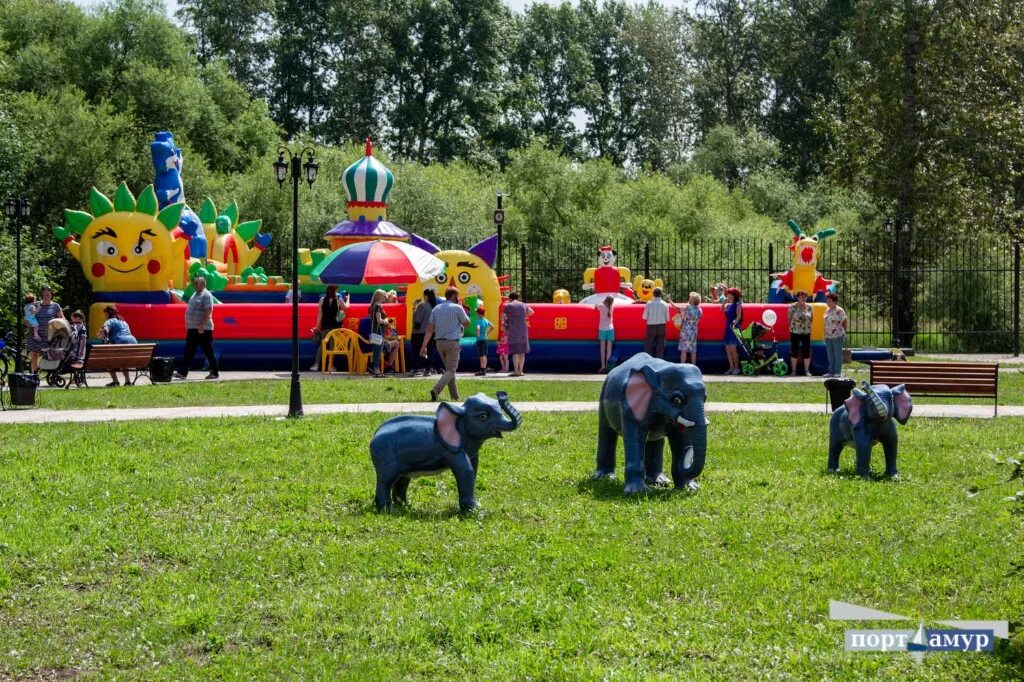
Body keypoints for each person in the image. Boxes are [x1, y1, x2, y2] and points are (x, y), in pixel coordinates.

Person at [420, 287, 470, 401]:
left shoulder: (436, 308)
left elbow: (429, 329)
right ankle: (436, 390)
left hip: (439, 343)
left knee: (449, 370)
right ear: (454, 296)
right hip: (452, 342)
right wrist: (461, 306)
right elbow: (467, 323)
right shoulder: (457, 308)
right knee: (451, 370)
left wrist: (424, 346)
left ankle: (455, 396)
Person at [174, 275, 219, 380]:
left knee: (208, 350)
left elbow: (208, 311)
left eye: (197, 283)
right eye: (194, 283)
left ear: (203, 284)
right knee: (189, 350)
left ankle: (215, 372)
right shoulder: (195, 294)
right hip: (193, 328)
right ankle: (183, 372)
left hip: (203, 328)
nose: (195, 285)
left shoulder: (206, 295)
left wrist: (202, 324)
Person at [98, 304, 138, 386]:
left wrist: (100, 334)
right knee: (123, 361)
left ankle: (115, 381)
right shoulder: (124, 322)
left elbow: (104, 331)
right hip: (133, 345)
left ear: (108, 313)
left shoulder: (110, 321)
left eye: (105, 314)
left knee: (108, 360)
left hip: (120, 343)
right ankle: (127, 381)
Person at [311, 285, 349, 371]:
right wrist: (348, 299)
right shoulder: (339, 299)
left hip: (325, 326)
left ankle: (316, 365)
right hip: (336, 327)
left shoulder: (322, 300)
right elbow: (346, 308)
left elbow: (320, 314)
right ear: (335, 291)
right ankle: (330, 366)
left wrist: (317, 326)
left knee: (322, 345)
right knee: (332, 346)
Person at [27, 286, 63, 373]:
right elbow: (27, 319)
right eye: (44, 295)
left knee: (50, 356)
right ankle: (34, 375)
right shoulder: (35, 305)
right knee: (34, 355)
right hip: (35, 336)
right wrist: (30, 324)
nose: (46, 297)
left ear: (51, 295)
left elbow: (62, 319)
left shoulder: (55, 306)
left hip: (49, 336)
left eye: (47, 295)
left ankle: (52, 373)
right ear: (41, 295)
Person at [501, 292, 534, 377]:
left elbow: (502, 317)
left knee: (515, 351)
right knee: (522, 352)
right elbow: (531, 312)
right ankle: (521, 371)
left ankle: (516, 371)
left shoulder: (508, 306)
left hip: (513, 330)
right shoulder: (523, 304)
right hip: (523, 330)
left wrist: (507, 318)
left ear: (510, 298)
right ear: (517, 298)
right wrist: (522, 315)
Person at [410, 290, 437, 376]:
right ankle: (428, 369)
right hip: (431, 332)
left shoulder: (422, 306)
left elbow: (418, 321)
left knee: (417, 350)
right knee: (429, 351)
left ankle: (417, 368)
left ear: (426, 296)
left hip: (419, 332)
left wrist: (414, 312)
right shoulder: (434, 307)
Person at [788, 290, 813, 376]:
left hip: (806, 331)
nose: (803, 298)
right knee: (794, 350)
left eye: (805, 296)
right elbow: (789, 319)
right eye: (801, 296)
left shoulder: (809, 307)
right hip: (795, 331)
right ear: (797, 297)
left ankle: (807, 370)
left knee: (806, 350)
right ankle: (794, 370)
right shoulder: (792, 306)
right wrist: (792, 327)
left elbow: (811, 319)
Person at [673, 292, 703, 365]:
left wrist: (670, 301)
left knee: (684, 349)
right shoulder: (699, 310)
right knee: (693, 350)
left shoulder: (687, 307)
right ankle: (694, 366)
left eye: (690, 298)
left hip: (685, 330)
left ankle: (682, 365)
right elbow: (698, 319)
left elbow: (676, 307)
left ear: (692, 300)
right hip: (694, 330)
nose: (689, 298)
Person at [642, 287, 671, 359]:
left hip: (651, 326)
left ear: (653, 294)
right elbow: (667, 318)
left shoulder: (649, 303)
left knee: (649, 344)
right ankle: (659, 360)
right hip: (661, 326)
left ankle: (647, 360)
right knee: (660, 345)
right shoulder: (665, 304)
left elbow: (644, 317)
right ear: (661, 294)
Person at [823, 291, 848, 377]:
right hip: (828, 335)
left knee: (837, 354)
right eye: (827, 301)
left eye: (830, 301)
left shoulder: (839, 310)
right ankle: (830, 371)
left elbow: (845, 321)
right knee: (830, 354)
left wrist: (843, 332)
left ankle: (837, 372)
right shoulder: (827, 310)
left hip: (838, 335)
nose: (828, 302)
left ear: (835, 301)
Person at [367, 289, 389, 377]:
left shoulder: (374, 306)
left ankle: (375, 369)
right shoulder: (377, 307)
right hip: (378, 332)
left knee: (376, 351)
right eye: (384, 296)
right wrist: (386, 321)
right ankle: (376, 369)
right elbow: (379, 320)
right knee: (377, 352)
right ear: (379, 296)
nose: (385, 297)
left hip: (376, 331)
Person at [721, 287, 743, 375]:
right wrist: (723, 303)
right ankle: (731, 367)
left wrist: (734, 323)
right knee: (727, 349)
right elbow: (722, 310)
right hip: (728, 327)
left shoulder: (738, 304)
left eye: (729, 293)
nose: (727, 295)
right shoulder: (729, 305)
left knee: (733, 349)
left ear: (733, 295)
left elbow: (739, 316)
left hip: (734, 328)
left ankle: (736, 368)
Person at [595, 295, 615, 373]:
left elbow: (596, 306)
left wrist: (603, 301)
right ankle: (607, 366)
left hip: (602, 329)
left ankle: (602, 366)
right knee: (609, 349)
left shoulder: (601, 306)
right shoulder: (612, 307)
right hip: (611, 329)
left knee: (602, 349)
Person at [474, 306, 493, 376]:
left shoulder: (478, 321)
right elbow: (492, 327)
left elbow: (478, 329)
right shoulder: (485, 320)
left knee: (481, 356)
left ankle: (482, 370)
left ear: (478, 314)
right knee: (484, 355)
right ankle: (484, 369)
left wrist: (478, 335)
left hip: (480, 340)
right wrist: (487, 333)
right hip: (485, 339)